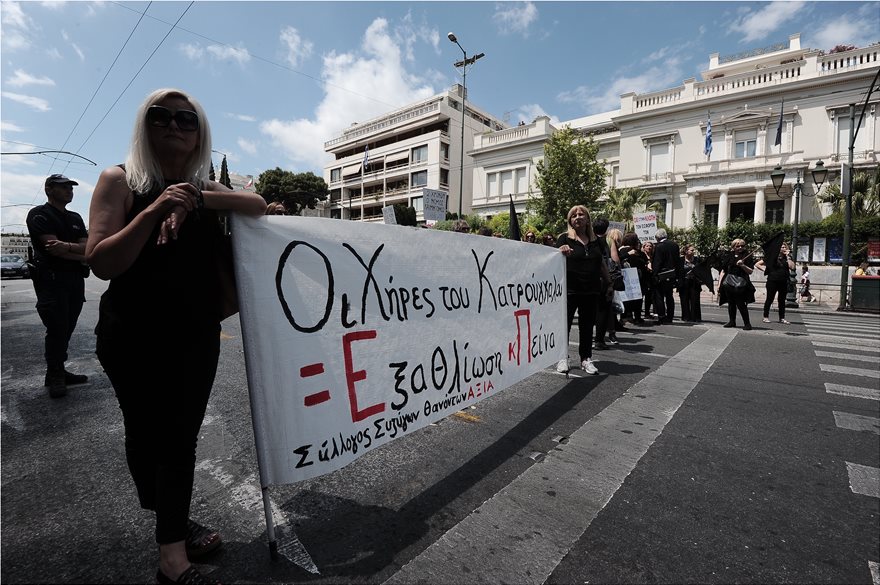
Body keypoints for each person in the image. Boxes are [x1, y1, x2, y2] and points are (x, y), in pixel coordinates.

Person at [86, 88, 267, 585]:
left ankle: (172, 559)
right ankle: (173, 518)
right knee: (145, 438)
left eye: (186, 120)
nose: (174, 126)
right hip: (131, 338)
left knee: (177, 442)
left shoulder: (204, 188)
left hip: (194, 336)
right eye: (161, 116)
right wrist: (151, 210)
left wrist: (192, 197)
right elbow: (101, 262)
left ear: (199, 133)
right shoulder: (119, 180)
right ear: (144, 127)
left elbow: (257, 204)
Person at [26, 174, 90, 398]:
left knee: (68, 327)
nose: (69, 191)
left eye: (70, 188)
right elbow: (53, 249)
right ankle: (55, 375)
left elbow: (87, 248)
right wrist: (81, 252)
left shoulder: (75, 217)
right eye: (63, 187)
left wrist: (69, 248)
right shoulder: (39, 215)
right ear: (49, 189)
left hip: (74, 280)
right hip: (51, 281)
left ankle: (58, 370)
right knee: (56, 328)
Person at [556, 206, 612, 375]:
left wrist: (609, 282)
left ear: (588, 219)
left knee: (587, 326)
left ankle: (586, 359)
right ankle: (562, 357)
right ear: (569, 220)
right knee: (564, 325)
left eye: (581, 214)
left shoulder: (597, 241)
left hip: (591, 290)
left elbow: (601, 263)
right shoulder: (564, 238)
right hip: (570, 290)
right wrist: (560, 251)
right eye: (574, 215)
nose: (578, 217)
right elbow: (553, 259)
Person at [593, 222, 622, 349]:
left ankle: (593, 337)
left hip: (590, 279)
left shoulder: (589, 239)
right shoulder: (609, 241)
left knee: (591, 310)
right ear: (606, 229)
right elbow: (615, 260)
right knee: (605, 309)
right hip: (605, 280)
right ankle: (603, 337)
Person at [717, 238, 756, 330]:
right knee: (731, 303)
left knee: (741, 304)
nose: (740, 248)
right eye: (737, 246)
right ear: (733, 247)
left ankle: (747, 323)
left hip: (741, 284)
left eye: (742, 246)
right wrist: (719, 284)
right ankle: (732, 321)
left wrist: (743, 265)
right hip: (728, 283)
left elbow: (750, 271)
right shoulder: (729, 256)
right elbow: (723, 270)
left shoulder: (747, 256)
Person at [756, 242, 794, 324]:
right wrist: (766, 270)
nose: (783, 248)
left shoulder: (787, 258)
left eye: (784, 247)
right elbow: (757, 264)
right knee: (769, 299)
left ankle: (782, 318)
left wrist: (788, 257)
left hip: (783, 281)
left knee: (782, 300)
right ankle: (765, 317)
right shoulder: (772, 257)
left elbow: (792, 267)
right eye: (781, 247)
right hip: (772, 281)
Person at [651, 228, 682, 324]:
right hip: (672, 274)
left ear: (657, 237)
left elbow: (657, 262)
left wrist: (654, 274)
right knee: (669, 296)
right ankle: (670, 317)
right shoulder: (675, 245)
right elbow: (677, 261)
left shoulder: (659, 246)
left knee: (659, 296)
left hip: (661, 274)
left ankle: (662, 317)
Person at [618, 232, 649, 325]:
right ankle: (637, 317)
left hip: (627, 278)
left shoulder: (621, 251)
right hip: (637, 279)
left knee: (626, 298)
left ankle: (626, 316)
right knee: (637, 299)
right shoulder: (633, 252)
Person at [678, 244, 703, 323]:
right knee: (684, 300)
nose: (693, 251)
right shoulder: (681, 260)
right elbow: (678, 271)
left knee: (695, 300)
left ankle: (695, 317)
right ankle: (686, 316)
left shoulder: (697, 259)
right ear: (686, 251)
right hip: (684, 282)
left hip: (694, 282)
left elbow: (701, 270)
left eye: (693, 250)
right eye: (691, 250)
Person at [641, 240, 655, 320]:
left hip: (651, 277)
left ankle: (647, 312)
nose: (649, 247)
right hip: (644, 277)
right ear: (644, 247)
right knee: (642, 295)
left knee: (649, 296)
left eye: (650, 246)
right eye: (647, 246)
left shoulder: (653, 256)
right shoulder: (642, 255)